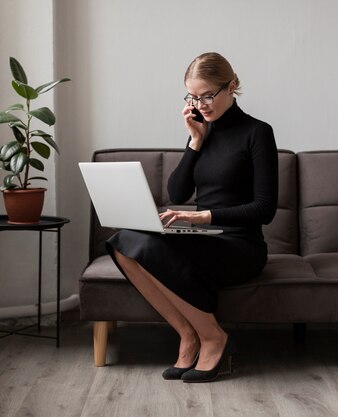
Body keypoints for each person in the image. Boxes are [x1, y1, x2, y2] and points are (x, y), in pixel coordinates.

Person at [106, 52, 278, 383]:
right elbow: (179, 191)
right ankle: (187, 333)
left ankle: (214, 337)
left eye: (208, 95)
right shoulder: (201, 131)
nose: (201, 104)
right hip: (203, 239)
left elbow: (265, 209)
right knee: (123, 241)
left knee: (146, 245)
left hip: (240, 247)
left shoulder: (258, 132)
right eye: (193, 96)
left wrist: (202, 219)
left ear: (232, 87)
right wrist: (195, 142)